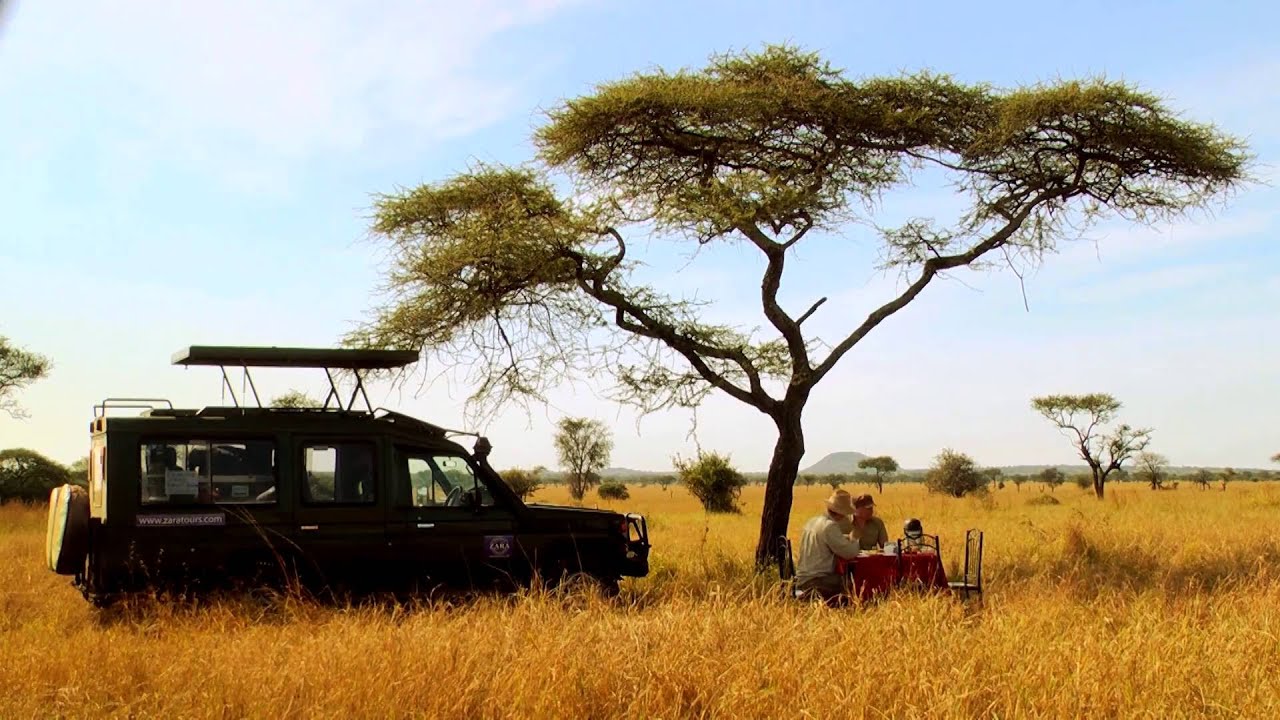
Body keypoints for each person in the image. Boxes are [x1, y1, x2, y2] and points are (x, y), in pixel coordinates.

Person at [795, 489, 863, 601]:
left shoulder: (812, 521)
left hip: (803, 577)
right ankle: (848, 610)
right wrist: (855, 539)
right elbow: (849, 553)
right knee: (853, 581)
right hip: (816, 579)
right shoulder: (829, 527)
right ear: (841, 514)